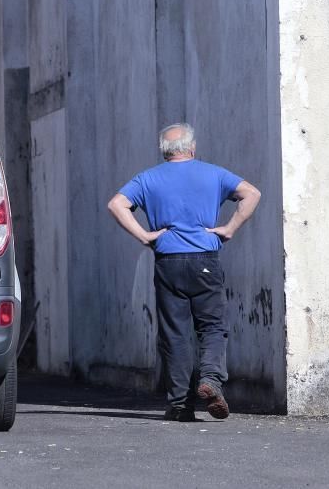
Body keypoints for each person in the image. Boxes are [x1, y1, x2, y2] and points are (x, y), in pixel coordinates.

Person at [107, 123, 261, 421]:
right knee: (212, 326)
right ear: (192, 147)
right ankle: (210, 380)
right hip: (204, 258)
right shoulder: (213, 173)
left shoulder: (147, 178)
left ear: (164, 151)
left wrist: (145, 236)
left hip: (168, 261)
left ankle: (180, 405)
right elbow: (251, 193)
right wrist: (228, 229)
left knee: (175, 333)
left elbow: (117, 204)